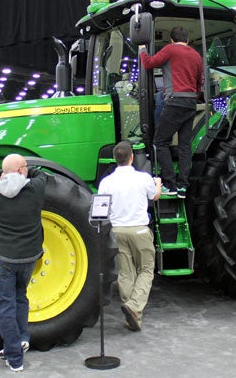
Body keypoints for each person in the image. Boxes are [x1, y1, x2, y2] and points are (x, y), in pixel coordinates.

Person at [0, 154, 47, 372]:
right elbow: (40, 173)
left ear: (5, 172)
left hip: (4, 260)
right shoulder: (35, 188)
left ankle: (15, 358)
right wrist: (22, 170)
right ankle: (22, 338)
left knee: (6, 305)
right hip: (29, 259)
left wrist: (1, 173)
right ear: (22, 170)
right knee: (21, 296)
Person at [98, 141, 161, 331]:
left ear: (115, 158)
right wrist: (157, 183)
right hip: (140, 230)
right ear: (132, 157)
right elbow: (155, 196)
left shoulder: (106, 182)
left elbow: (102, 208)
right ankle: (134, 307)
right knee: (147, 269)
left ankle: (133, 317)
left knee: (126, 273)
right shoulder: (143, 178)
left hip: (117, 231)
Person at [139, 26, 203, 199]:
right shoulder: (196, 55)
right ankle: (183, 186)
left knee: (160, 142)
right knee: (184, 147)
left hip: (175, 102)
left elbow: (148, 63)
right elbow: (200, 83)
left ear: (172, 40)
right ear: (187, 40)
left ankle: (170, 184)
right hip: (191, 103)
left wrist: (142, 50)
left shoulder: (170, 50)